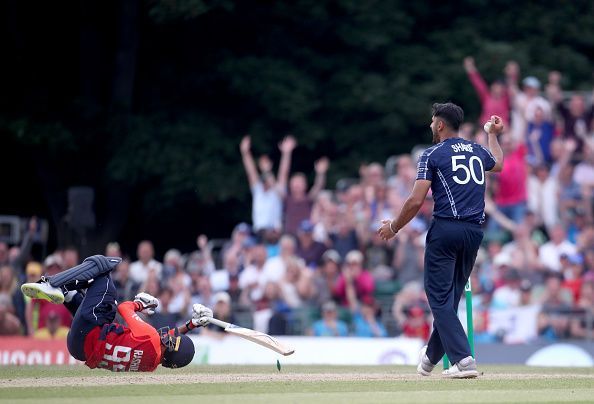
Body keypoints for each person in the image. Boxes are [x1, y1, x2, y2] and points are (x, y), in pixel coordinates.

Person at [378, 103, 504, 378]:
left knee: (438, 299)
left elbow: (415, 199)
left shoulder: (431, 154)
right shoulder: (476, 149)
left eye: (432, 121)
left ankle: (463, 360)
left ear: (440, 125)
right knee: (450, 299)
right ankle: (430, 358)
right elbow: (499, 164)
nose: (430, 125)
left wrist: (395, 226)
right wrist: (492, 135)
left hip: (446, 229)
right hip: (473, 233)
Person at [20, 255, 214, 371]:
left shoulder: (150, 338)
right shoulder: (151, 365)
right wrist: (192, 324)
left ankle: (51, 283)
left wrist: (140, 304)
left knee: (104, 266)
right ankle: (66, 293)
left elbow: (124, 308)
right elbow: (172, 339)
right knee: (79, 299)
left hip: (89, 332)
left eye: (170, 340)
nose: (168, 335)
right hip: (80, 349)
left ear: (171, 349)